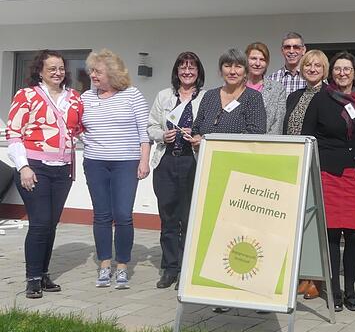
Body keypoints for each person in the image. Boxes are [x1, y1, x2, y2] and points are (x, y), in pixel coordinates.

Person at [301, 52, 355, 311]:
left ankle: (351, 291)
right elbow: (308, 137)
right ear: (331, 73)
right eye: (337, 69)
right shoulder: (320, 100)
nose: (342, 73)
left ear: (354, 72)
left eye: (347, 69)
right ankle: (334, 290)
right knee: (332, 236)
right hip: (329, 174)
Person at [193, 49, 267, 314]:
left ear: (245, 71)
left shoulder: (253, 98)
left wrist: (213, 139)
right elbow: (198, 127)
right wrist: (196, 138)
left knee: (247, 233)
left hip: (242, 175)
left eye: (238, 66)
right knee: (220, 232)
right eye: (227, 66)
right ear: (221, 70)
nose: (232, 71)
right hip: (213, 173)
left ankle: (257, 291)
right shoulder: (210, 96)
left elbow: (256, 133)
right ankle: (223, 291)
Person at [6, 49, 84, 298]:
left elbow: (81, 130)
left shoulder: (74, 97)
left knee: (50, 224)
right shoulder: (26, 95)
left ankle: (44, 273)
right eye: (52, 68)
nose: (58, 73)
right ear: (39, 70)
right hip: (34, 167)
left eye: (61, 68)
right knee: (39, 223)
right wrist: (23, 166)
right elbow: (14, 134)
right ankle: (32, 278)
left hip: (63, 170)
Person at [81, 49, 150, 290]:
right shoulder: (86, 98)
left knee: (122, 215)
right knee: (101, 215)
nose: (93, 75)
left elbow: (145, 133)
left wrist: (144, 161)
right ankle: (104, 264)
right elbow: (77, 128)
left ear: (112, 73)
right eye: (91, 71)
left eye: (98, 71)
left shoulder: (132, 95)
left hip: (126, 163)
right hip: (95, 163)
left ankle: (122, 265)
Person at [147, 52, 206, 289]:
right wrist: (162, 135)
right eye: (183, 67)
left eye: (192, 67)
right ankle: (170, 268)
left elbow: (211, 126)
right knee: (169, 217)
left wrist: (200, 137)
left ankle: (186, 268)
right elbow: (150, 126)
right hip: (167, 162)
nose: (187, 71)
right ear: (176, 71)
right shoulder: (164, 96)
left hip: (192, 162)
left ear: (199, 72)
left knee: (188, 217)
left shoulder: (207, 97)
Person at [283, 49, 330, 300]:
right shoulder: (294, 96)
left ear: (325, 69)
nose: (312, 69)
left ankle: (316, 279)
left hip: (317, 163)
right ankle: (302, 274)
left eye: (317, 65)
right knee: (297, 221)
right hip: (294, 163)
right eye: (308, 64)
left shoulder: (330, 95)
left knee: (314, 222)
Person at [245, 42, 286, 134]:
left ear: (267, 63)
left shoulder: (278, 89)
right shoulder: (236, 86)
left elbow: (278, 124)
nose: (258, 63)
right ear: (246, 60)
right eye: (253, 58)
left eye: (262, 59)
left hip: (267, 143)